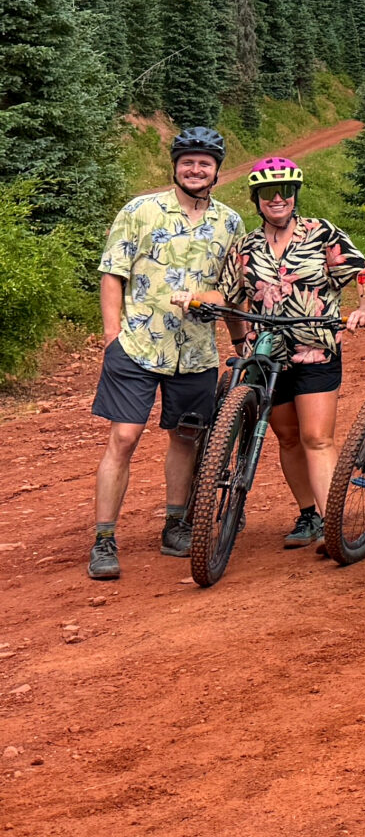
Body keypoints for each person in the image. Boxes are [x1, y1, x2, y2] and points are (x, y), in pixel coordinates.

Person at [88, 126, 246, 579]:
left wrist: (238, 340)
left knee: (186, 438)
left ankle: (176, 524)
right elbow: (112, 272)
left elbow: (230, 291)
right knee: (124, 438)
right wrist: (111, 333)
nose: (195, 169)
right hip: (136, 346)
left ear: (216, 170)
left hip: (195, 352)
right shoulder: (140, 211)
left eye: (205, 162)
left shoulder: (229, 222)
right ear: (176, 165)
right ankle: (103, 539)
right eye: (188, 161)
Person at [193, 158, 365, 549]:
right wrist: (193, 300)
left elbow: (362, 271)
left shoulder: (322, 234)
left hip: (316, 348)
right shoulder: (245, 248)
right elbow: (227, 297)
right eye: (268, 193)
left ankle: (332, 525)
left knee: (316, 437)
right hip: (266, 356)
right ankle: (308, 514)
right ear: (256, 200)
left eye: (286, 192)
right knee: (288, 436)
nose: (278, 199)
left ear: (295, 196)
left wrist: (364, 306)